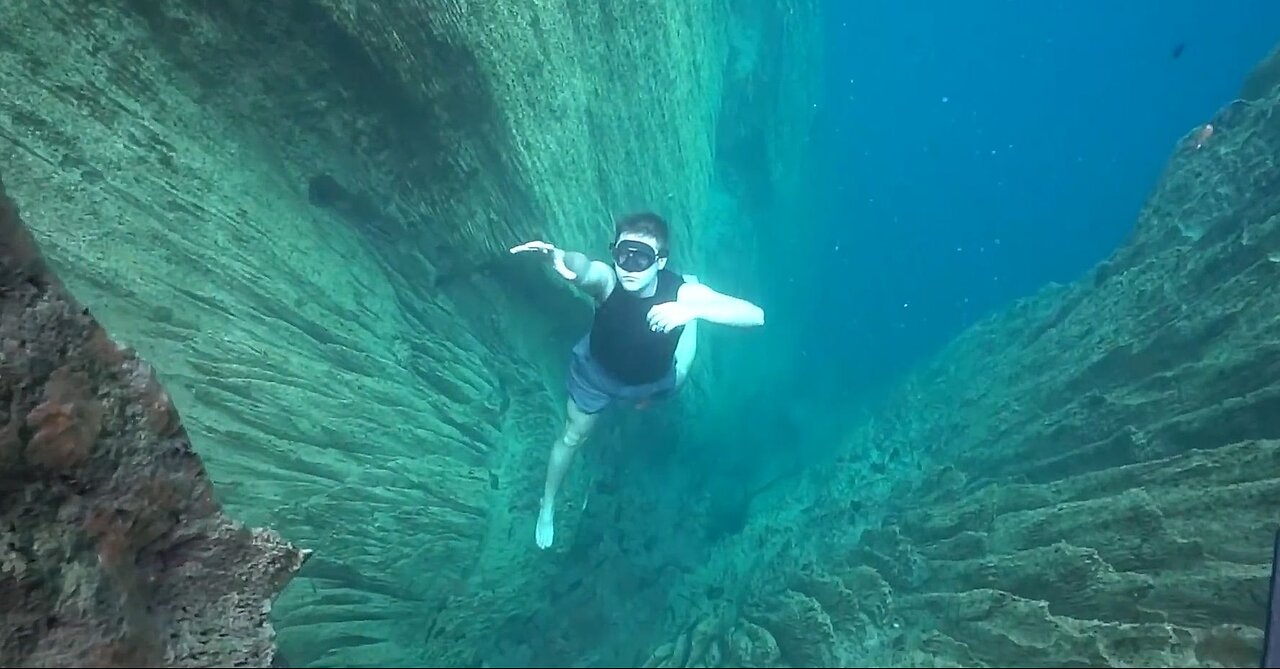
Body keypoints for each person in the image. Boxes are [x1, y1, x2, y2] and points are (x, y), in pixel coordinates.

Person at [509, 212, 766, 549]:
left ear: (660, 261)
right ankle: (547, 506)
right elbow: (584, 268)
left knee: (681, 375)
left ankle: (677, 348)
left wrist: (692, 312)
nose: (629, 267)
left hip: (653, 377)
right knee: (572, 437)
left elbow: (755, 316)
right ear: (614, 252)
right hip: (597, 374)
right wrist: (561, 259)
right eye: (623, 254)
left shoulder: (682, 293)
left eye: (641, 257)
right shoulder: (608, 281)